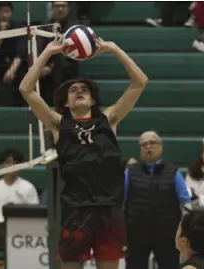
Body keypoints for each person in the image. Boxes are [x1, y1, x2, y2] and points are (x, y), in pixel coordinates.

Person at [19, 34, 148, 269]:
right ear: (66, 103)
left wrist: (114, 47)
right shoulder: (59, 124)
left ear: (92, 100)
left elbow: (140, 82)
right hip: (75, 210)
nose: (79, 91)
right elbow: (26, 89)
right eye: (73, 90)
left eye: (85, 90)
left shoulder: (109, 119)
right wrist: (47, 52)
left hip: (109, 209)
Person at [124, 131, 192, 269]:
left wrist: (183, 232)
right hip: (136, 235)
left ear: (160, 146)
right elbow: (121, 202)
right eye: (144, 144)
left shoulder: (173, 172)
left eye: (152, 143)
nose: (148, 147)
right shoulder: (130, 172)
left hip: (166, 235)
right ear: (140, 149)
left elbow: (185, 203)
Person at [37, 1, 79, 106]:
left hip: (66, 72)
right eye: (57, 6)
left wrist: (50, 68)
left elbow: (70, 54)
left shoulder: (74, 27)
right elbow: (39, 48)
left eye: (63, 6)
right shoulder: (45, 26)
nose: (60, 9)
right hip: (46, 75)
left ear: (68, 8)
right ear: (52, 8)